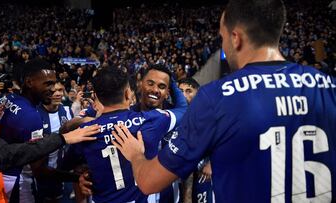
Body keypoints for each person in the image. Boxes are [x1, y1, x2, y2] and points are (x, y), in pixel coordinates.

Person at [111, 0, 336, 202]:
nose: (224, 46)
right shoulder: (328, 87)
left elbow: (149, 182)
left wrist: (135, 155)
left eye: (222, 37)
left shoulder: (217, 96)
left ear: (235, 38)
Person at [61, 66, 186, 203]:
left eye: (162, 86)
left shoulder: (88, 130)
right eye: (150, 83)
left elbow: (63, 167)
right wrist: (83, 176)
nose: (155, 89)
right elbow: (184, 108)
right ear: (133, 90)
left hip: (166, 195)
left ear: (168, 91)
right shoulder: (153, 119)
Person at [0, 63, 100, 199]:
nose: (53, 90)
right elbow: (39, 171)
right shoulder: (32, 117)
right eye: (48, 84)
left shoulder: (8, 98)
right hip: (12, 181)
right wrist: (75, 177)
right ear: (29, 82)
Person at [36, 81, 75, 203]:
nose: (58, 94)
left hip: (62, 172)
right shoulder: (35, 113)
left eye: (60, 90)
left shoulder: (68, 111)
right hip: (39, 174)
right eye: (53, 91)